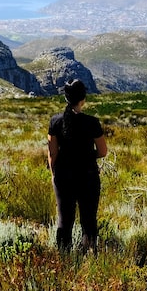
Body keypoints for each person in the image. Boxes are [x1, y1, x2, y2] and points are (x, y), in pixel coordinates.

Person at [47, 79, 107, 252]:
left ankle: (64, 257)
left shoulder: (55, 121)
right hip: (88, 175)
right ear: (83, 99)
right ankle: (89, 254)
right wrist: (89, 156)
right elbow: (103, 151)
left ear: (66, 98)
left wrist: (54, 174)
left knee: (64, 220)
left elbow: (52, 153)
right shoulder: (92, 122)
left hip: (64, 176)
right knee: (88, 220)